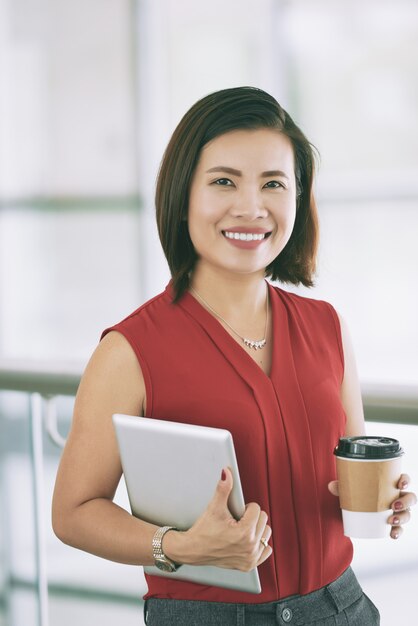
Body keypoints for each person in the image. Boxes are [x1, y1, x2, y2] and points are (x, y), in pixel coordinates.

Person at [52, 86, 416, 626]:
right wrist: (179, 546)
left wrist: (384, 501)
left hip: (341, 608)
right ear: (184, 196)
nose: (251, 207)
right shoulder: (129, 350)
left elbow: (347, 473)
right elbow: (73, 514)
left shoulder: (328, 327)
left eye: (274, 184)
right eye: (223, 181)